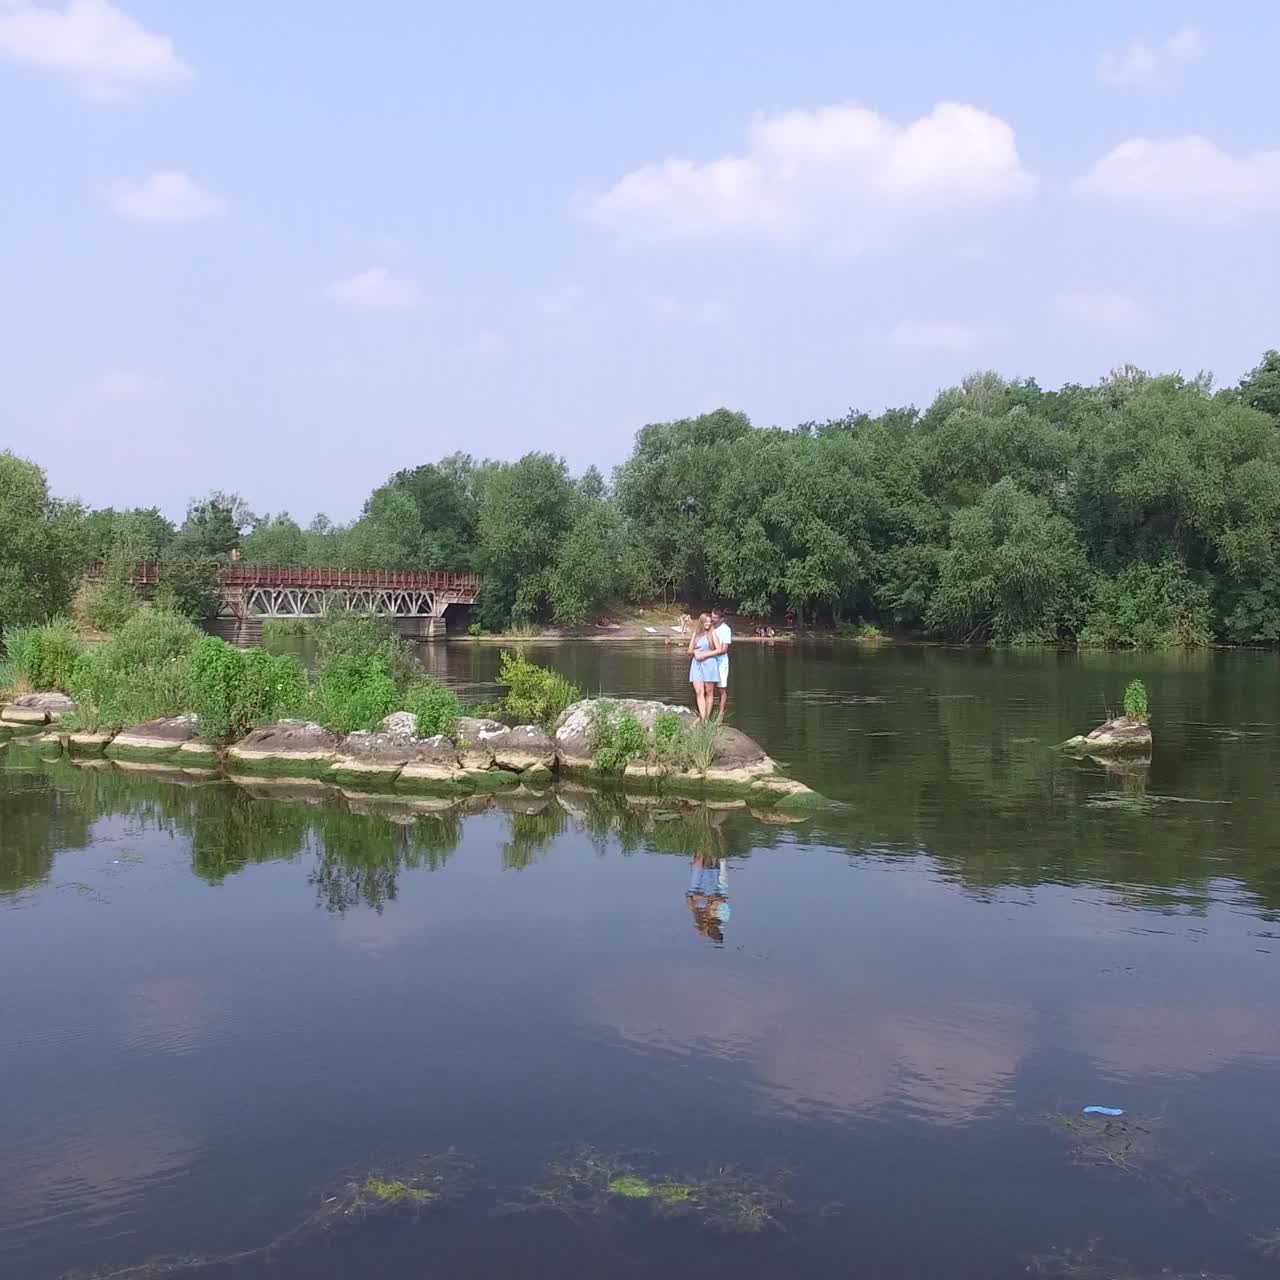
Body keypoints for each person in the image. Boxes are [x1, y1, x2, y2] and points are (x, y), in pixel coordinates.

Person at [687, 613, 723, 720]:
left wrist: (705, 654)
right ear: (701, 622)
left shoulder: (712, 634)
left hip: (710, 664)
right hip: (697, 664)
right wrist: (695, 652)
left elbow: (719, 649)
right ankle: (703, 717)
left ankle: (707, 717)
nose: (708, 623)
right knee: (699, 691)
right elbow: (689, 651)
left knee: (709, 691)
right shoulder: (696, 634)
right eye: (706, 621)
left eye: (709, 621)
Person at [710, 608, 732, 720]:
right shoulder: (709, 627)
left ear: (721, 619)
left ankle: (720, 715)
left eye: (714, 618)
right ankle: (708, 712)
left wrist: (709, 653)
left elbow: (724, 649)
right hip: (709, 662)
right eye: (711, 617)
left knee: (721, 689)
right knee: (709, 688)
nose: (712, 619)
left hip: (721, 662)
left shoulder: (726, 630)